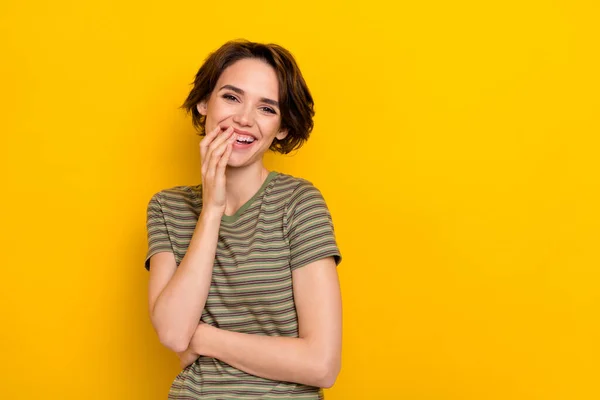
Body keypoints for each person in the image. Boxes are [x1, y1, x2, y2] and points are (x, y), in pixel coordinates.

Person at [144, 39, 342, 399]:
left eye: (267, 108)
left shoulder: (299, 204)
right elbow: (173, 334)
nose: (244, 119)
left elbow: (321, 364)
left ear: (281, 127)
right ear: (205, 103)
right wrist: (212, 209)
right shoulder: (167, 208)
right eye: (231, 97)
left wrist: (201, 336)